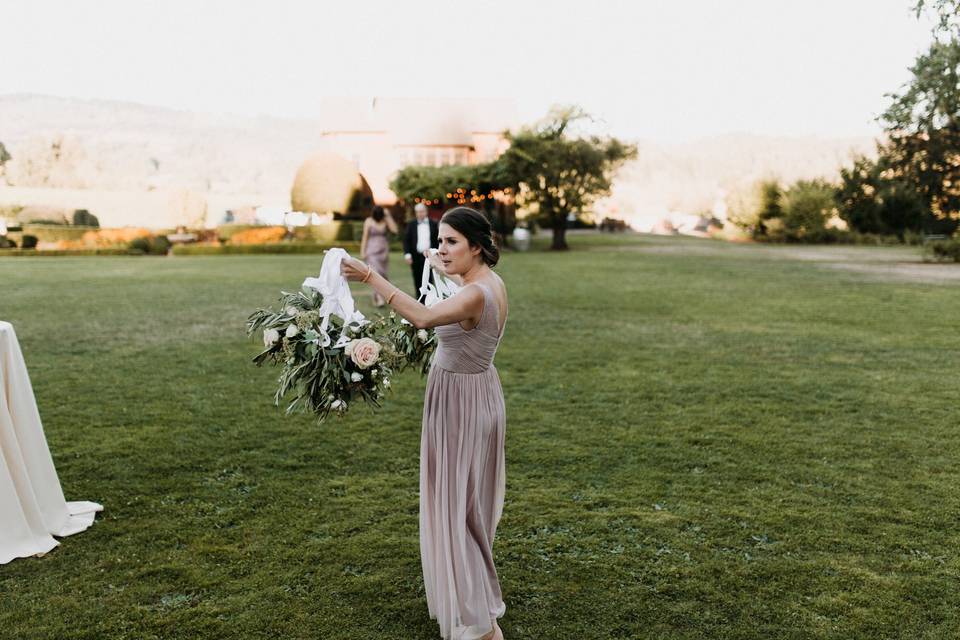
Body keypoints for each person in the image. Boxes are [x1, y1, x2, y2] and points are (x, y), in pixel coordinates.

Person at [342, 207, 508, 640]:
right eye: (440, 239)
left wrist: (369, 277)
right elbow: (466, 301)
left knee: (458, 510)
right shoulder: (486, 283)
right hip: (476, 394)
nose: (441, 248)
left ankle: (483, 621)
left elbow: (422, 317)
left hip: (461, 403)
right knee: (464, 506)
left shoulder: (476, 293)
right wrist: (445, 270)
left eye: (452, 241)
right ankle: (474, 603)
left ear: (476, 245)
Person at [359, 206, 398, 306]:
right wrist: (362, 251)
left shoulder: (385, 220)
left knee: (383, 275)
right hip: (371, 251)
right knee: (375, 274)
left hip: (383, 251)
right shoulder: (368, 221)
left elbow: (394, 230)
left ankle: (380, 296)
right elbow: (365, 237)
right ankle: (379, 298)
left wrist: (388, 215)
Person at [403, 202, 439, 299]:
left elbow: (437, 239)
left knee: (429, 278)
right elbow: (406, 240)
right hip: (416, 256)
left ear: (426, 212)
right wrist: (407, 254)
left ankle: (431, 298)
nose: (420, 214)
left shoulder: (433, 224)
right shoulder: (411, 224)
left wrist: (436, 253)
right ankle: (420, 299)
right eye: (418, 212)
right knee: (417, 278)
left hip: (429, 256)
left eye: (422, 211)